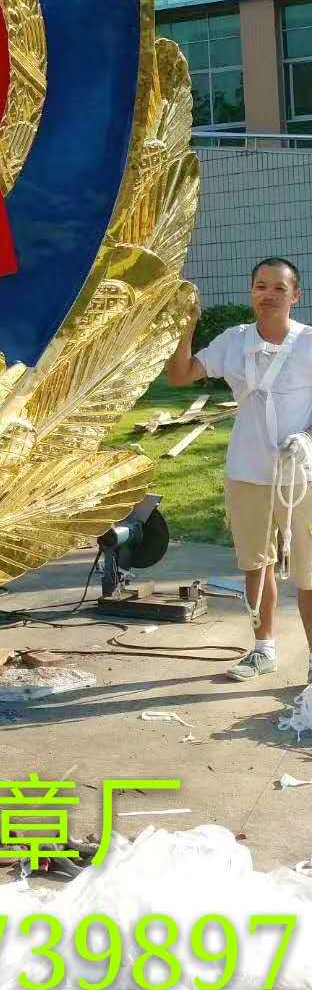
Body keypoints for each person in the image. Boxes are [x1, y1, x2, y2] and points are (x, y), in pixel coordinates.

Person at [167, 257, 312, 684]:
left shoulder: (308, 343)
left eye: (279, 288)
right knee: (256, 565)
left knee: (309, 574)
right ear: (252, 293)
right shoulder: (233, 342)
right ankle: (263, 648)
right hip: (247, 472)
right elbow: (180, 376)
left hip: (302, 477)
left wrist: (307, 438)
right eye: (261, 286)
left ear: (295, 295)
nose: (269, 295)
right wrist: (186, 327)